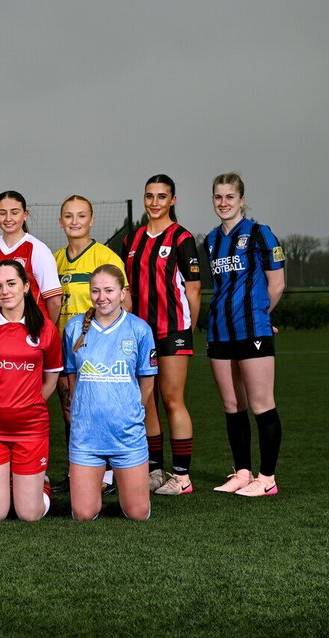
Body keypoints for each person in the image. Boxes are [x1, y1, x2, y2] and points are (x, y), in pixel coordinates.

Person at [204, 172, 285, 497]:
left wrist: (260, 315)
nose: (223, 203)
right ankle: (242, 473)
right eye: (218, 197)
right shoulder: (211, 239)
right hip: (219, 332)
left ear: (241, 200)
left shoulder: (260, 233)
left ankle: (267, 478)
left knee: (261, 404)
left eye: (229, 197)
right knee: (232, 405)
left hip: (252, 331)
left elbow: (277, 284)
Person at [122, 174, 202, 495]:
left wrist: (187, 329)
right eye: (149, 196)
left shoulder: (182, 238)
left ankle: (182, 477)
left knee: (171, 398)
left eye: (162, 196)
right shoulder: (132, 240)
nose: (154, 202)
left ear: (173, 200)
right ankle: (155, 470)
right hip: (141, 333)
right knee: (147, 402)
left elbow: (193, 290)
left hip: (172, 329)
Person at [0, 260, 62, 522]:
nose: (4, 291)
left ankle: (41, 484)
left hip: (31, 428)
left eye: (11, 283)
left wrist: (30, 403)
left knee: (29, 514)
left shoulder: (46, 329)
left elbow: (51, 378)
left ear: (26, 286)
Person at [62, 265, 155, 521]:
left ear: (123, 293)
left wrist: (132, 412)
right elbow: (71, 376)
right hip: (87, 435)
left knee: (137, 513)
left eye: (109, 290)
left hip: (126, 434)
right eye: (95, 291)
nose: (101, 297)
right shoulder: (73, 327)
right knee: (83, 514)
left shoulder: (139, 329)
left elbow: (147, 382)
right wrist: (79, 410)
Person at [53, 195, 128, 493]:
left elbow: (126, 304)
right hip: (64, 347)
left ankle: (106, 476)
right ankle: (78, 473)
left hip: (97, 349)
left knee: (99, 410)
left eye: (81, 215)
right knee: (70, 412)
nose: (75, 222)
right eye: (69, 216)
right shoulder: (55, 259)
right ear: (61, 221)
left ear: (92, 220)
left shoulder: (106, 257)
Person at [0, 191, 62, 324]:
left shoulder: (38, 249)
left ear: (25, 214)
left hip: (30, 330)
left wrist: (44, 329)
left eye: (14, 212)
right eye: (2, 213)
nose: (8, 218)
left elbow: (54, 301)